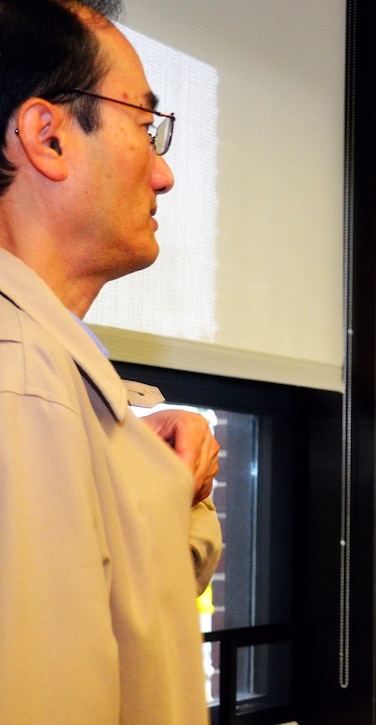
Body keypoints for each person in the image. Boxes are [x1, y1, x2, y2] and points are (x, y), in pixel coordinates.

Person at [0, 0, 222, 720]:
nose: (163, 175)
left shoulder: (46, 360)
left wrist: (165, 477)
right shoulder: (21, 382)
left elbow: (129, 609)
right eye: (144, 127)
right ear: (49, 138)